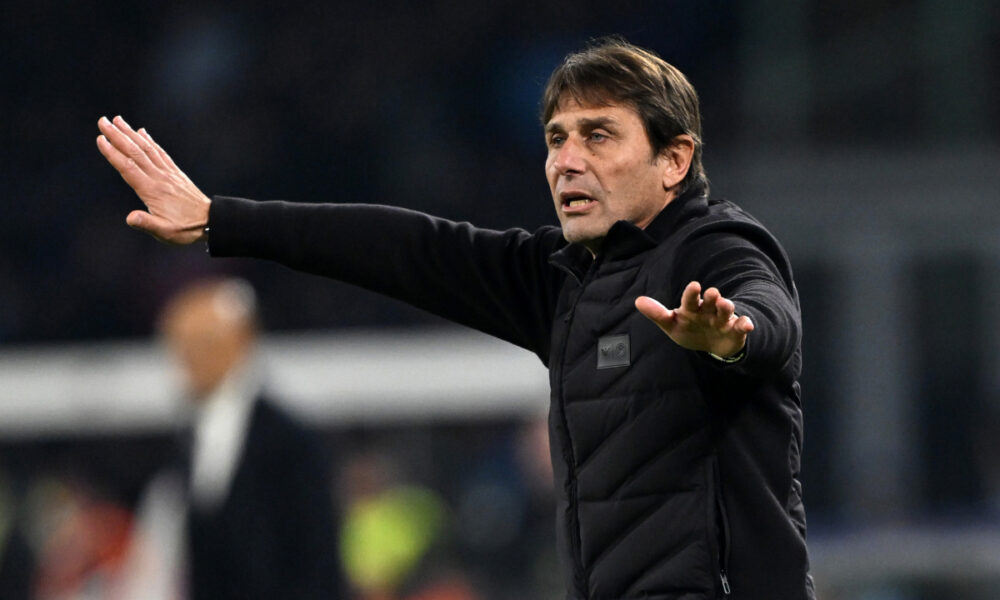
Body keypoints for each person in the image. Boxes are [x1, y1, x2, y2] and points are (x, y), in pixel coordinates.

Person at [97, 38, 813, 599]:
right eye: (556, 137)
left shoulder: (715, 247)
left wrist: (732, 337)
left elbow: (767, 311)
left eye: (599, 136)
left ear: (674, 160)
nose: (567, 160)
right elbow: (405, 247)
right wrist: (222, 220)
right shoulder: (559, 282)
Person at [128, 278, 347, 599]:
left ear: (240, 343)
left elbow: (313, 559)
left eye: (202, 344)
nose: (186, 360)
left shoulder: (290, 444)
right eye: (180, 346)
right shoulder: (187, 437)